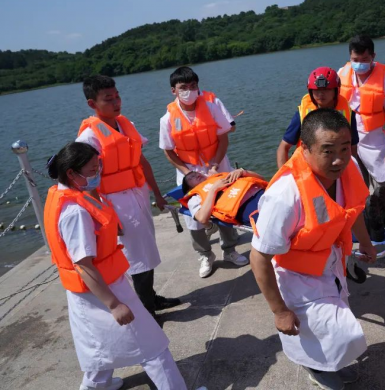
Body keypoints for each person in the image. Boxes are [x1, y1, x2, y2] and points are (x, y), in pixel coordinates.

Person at [43, 142, 188, 390]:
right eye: (92, 169)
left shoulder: (63, 195)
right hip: (103, 289)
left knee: (97, 350)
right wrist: (114, 304)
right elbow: (83, 264)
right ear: (71, 173)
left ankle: (96, 386)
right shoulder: (74, 212)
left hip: (87, 293)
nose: (97, 173)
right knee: (153, 348)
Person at [250, 108, 377, 390]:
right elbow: (258, 257)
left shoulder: (349, 168)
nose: (338, 159)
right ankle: (315, 369)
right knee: (328, 330)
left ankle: (330, 364)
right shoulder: (284, 195)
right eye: (327, 150)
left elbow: (352, 211)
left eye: (344, 148)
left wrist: (365, 243)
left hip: (330, 261)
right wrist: (278, 311)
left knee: (337, 325)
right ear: (305, 149)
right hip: (296, 274)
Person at [77, 75, 180, 319]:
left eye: (117, 96)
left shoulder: (125, 124)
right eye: (108, 99)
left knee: (147, 248)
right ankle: (147, 311)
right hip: (115, 201)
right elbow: (87, 182)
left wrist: (156, 192)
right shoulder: (89, 138)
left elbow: (141, 162)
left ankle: (151, 298)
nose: (116, 102)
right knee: (136, 256)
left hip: (137, 194)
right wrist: (106, 215)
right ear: (93, 104)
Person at [159, 66, 248, 279]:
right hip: (189, 172)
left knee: (226, 207)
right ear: (174, 91)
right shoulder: (167, 119)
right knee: (194, 218)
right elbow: (168, 151)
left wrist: (215, 165)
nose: (189, 91)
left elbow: (223, 138)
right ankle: (205, 255)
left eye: (193, 86)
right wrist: (187, 172)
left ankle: (230, 250)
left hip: (217, 165)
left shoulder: (211, 107)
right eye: (183, 87)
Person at [338, 35, 385, 204]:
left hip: (374, 141)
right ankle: (365, 222)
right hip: (349, 140)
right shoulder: (342, 74)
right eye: (355, 59)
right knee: (355, 184)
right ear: (349, 57)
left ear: (373, 57)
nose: (359, 63)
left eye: (364, 59)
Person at [277, 67, 359, 168]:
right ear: (310, 91)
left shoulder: (349, 114)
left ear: (336, 90)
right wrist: (283, 175)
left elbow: (353, 147)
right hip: (307, 168)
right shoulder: (301, 114)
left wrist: (352, 170)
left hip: (337, 165)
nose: (320, 94)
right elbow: (284, 147)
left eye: (326, 89)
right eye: (316, 90)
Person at [180, 168, 267, 227]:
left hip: (262, 193)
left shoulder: (220, 177)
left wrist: (243, 172)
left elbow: (261, 178)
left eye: (195, 173)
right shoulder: (195, 197)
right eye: (191, 177)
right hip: (244, 206)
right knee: (270, 222)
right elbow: (202, 218)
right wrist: (214, 189)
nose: (195, 175)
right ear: (189, 188)